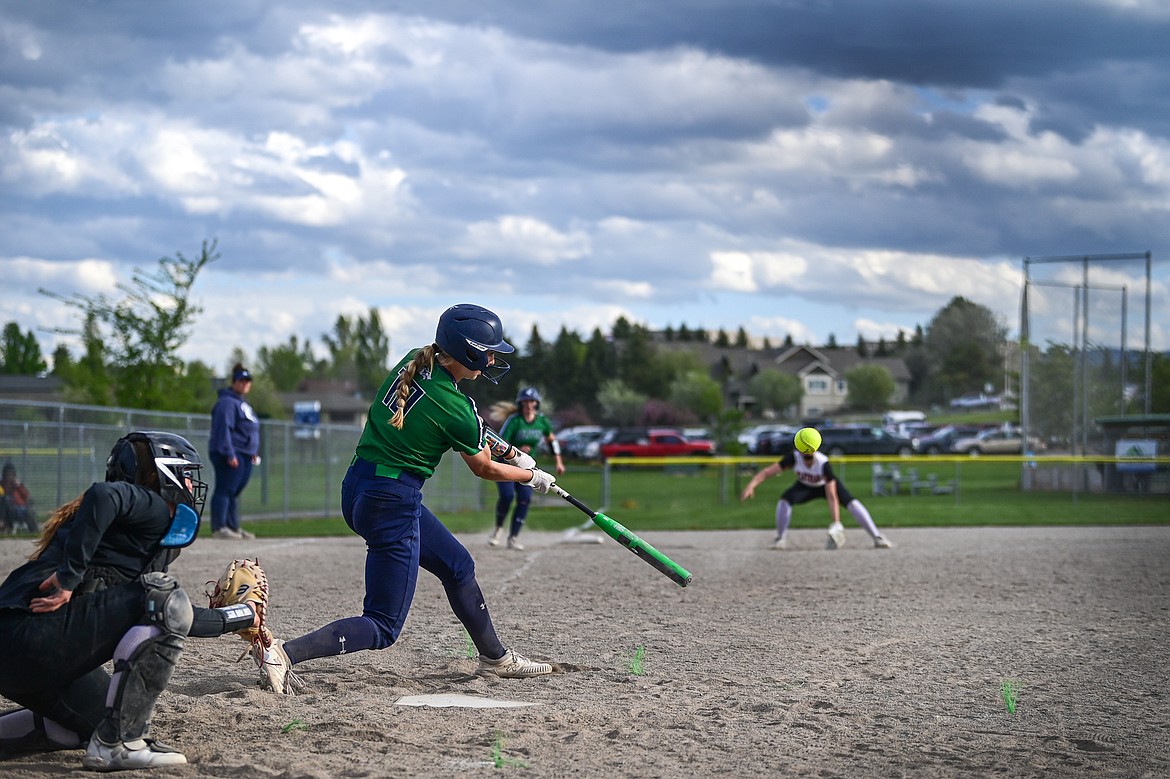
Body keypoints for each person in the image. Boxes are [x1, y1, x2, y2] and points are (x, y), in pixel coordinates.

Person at [271, 304, 559, 686]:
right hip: (391, 500)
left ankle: (495, 657)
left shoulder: (417, 360)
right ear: (467, 350)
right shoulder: (457, 407)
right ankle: (284, 653)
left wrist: (512, 451)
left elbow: (467, 428)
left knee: (458, 567)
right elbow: (484, 467)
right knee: (382, 625)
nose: (491, 358)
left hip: (359, 486)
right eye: (487, 351)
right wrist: (530, 475)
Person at [0, 431, 282, 770]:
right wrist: (69, 576)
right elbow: (102, 495)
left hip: (24, 653)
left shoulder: (125, 530)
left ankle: (107, 736)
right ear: (163, 474)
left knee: (82, 728)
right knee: (161, 595)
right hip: (29, 639)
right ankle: (120, 744)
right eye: (187, 475)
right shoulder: (152, 506)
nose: (192, 486)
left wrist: (243, 615)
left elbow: (174, 616)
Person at [740, 432, 893, 551]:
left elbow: (832, 496)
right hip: (804, 486)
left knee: (852, 503)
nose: (806, 458)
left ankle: (877, 537)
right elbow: (767, 472)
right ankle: (780, 538)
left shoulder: (823, 463)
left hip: (823, 485)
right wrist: (751, 485)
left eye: (809, 455)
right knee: (785, 500)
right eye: (804, 455)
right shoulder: (793, 458)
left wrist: (836, 522)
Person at [489, 387, 566, 550]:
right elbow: (501, 443)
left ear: (536, 403)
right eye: (525, 401)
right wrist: (518, 449)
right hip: (505, 464)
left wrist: (558, 461)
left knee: (524, 498)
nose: (529, 405)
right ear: (521, 403)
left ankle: (513, 537)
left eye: (532, 401)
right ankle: (498, 529)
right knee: (507, 496)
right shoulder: (514, 421)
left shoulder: (542, 421)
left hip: (527, 467)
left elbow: (552, 441)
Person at [208, 363, 261, 540]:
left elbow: (248, 430)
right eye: (241, 380)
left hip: (244, 453)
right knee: (225, 488)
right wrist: (229, 453)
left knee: (235, 491)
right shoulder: (227, 403)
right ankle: (220, 527)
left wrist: (252, 450)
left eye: (248, 381)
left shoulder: (242, 403)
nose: (245, 384)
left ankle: (233, 526)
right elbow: (224, 430)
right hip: (230, 452)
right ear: (234, 382)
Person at [0, 462, 36, 534]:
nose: (9, 477)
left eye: (11, 475)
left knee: (25, 511)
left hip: (18, 508)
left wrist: (19, 486)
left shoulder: (17, 485)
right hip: (7, 510)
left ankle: (34, 530)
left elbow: (26, 496)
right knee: (5, 500)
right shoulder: (1, 484)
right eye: (7, 475)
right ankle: (4, 524)